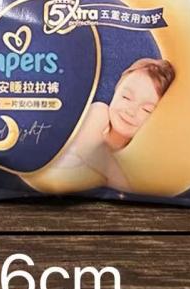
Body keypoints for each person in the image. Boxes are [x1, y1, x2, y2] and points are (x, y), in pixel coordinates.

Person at [50, 57, 175, 191]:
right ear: (116, 90)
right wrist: (124, 186)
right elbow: (89, 151)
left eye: (146, 110)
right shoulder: (99, 113)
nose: (130, 111)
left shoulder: (141, 156)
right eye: (126, 97)